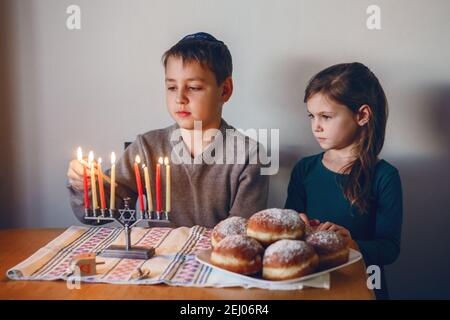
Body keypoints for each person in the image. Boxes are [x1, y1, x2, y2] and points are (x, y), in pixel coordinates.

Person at [67, 32, 269, 228]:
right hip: (156, 261)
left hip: (215, 261)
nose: (179, 98)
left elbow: (240, 233)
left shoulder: (248, 155)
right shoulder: (147, 147)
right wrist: (84, 184)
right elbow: (98, 214)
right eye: (172, 87)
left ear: (224, 90)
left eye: (194, 87)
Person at [285, 62, 403, 299]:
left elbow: (389, 249)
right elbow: (289, 221)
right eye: (312, 116)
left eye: (326, 117)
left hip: (359, 286)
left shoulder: (385, 176)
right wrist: (297, 224)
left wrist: (350, 243)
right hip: (310, 283)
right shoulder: (304, 169)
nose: (315, 127)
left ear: (362, 115)